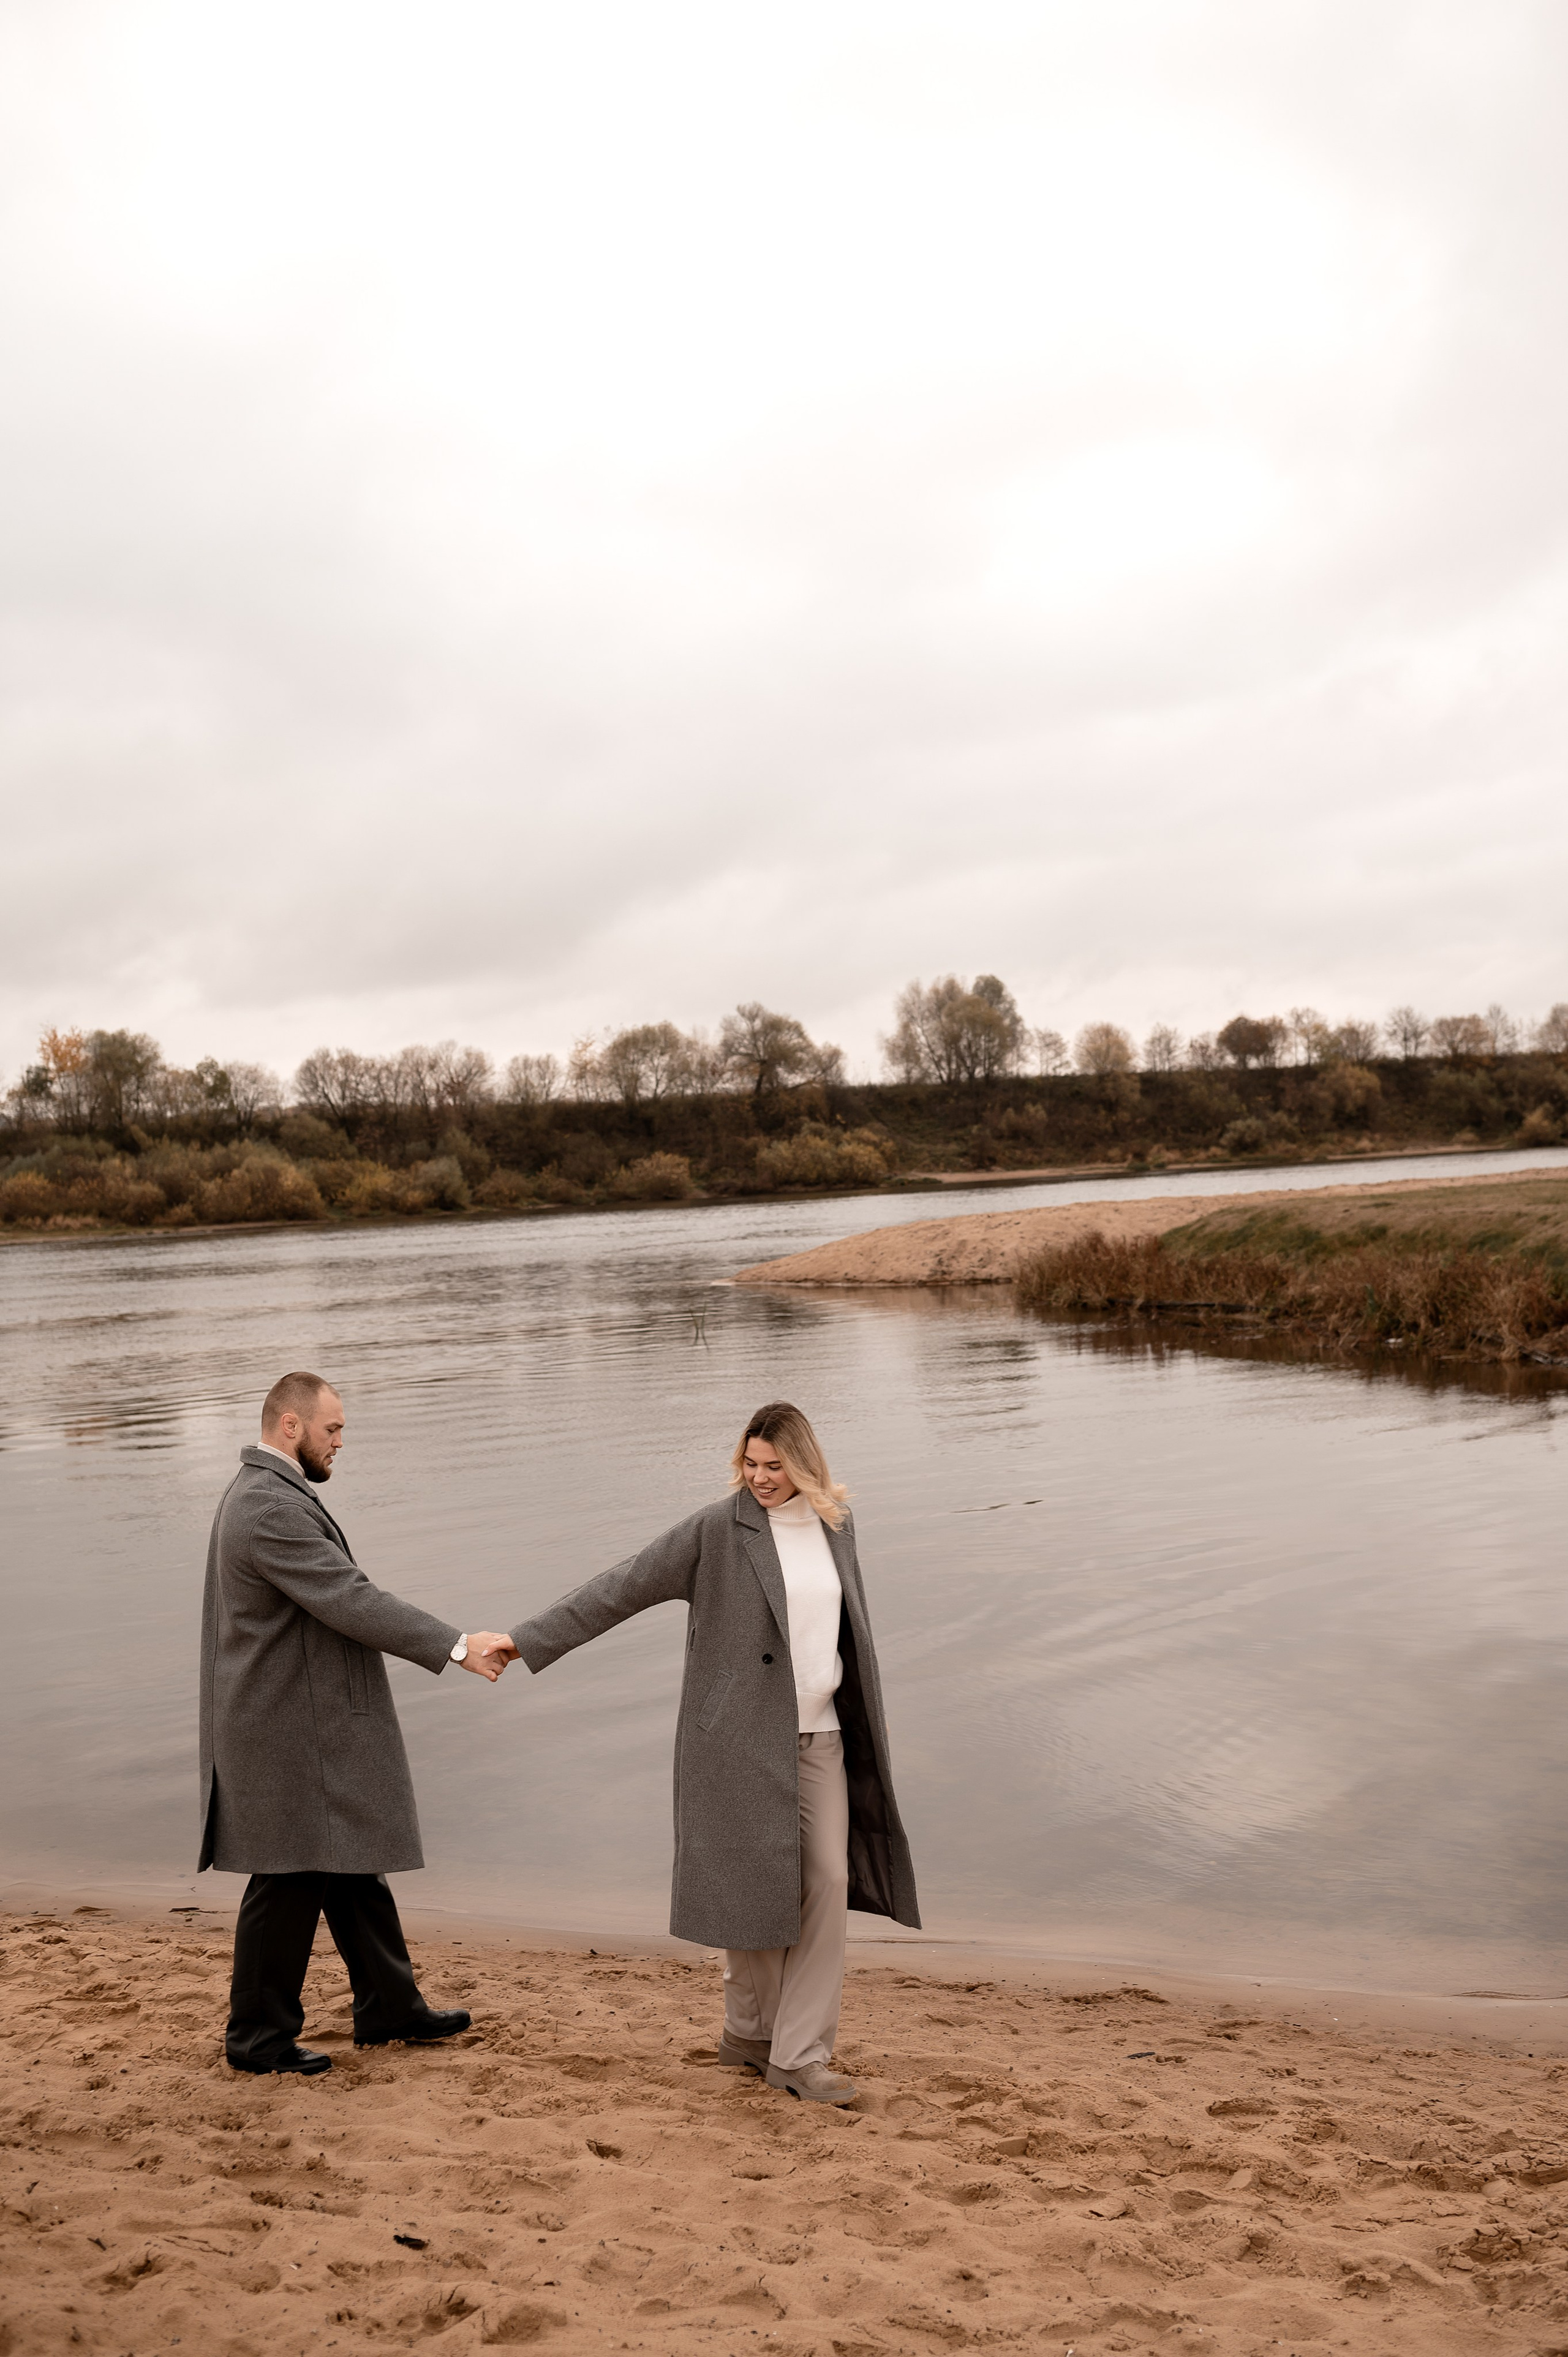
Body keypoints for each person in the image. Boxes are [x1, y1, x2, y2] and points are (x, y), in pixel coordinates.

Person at [502, 1401, 919, 2105]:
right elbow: (623, 1584)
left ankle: (799, 2053)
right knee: (752, 1886)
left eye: (773, 1465)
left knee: (825, 1883)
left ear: (803, 1462)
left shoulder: (837, 1525)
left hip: (824, 1738)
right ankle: (753, 2037)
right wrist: (527, 1639)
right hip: (741, 1738)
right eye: (750, 1464)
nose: (759, 1477)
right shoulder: (716, 1530)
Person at [200, 1371, 515, 2076]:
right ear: (290, 1425)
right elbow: (350, 1598)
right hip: (288, 1725)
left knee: (351, 1868)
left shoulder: (269, 1491)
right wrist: (456, 1645)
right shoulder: (267, 1506)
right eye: (331, 1429)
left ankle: (389, 2007)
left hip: (295, 1715)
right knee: (288, 1877)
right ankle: (256, 2038)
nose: (340, 1441)